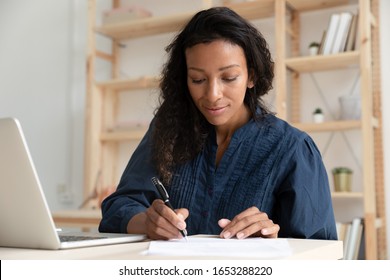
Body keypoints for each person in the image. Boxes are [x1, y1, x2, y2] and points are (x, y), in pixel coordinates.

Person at [99, 6, 337, 241]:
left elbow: (319, 253)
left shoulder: (293, 148)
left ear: (251, 76)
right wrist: (147, 222)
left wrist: (272, 239)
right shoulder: (168, 130)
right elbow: (119, 206)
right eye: (198, 79)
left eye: (229, 78)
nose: (212, 94)